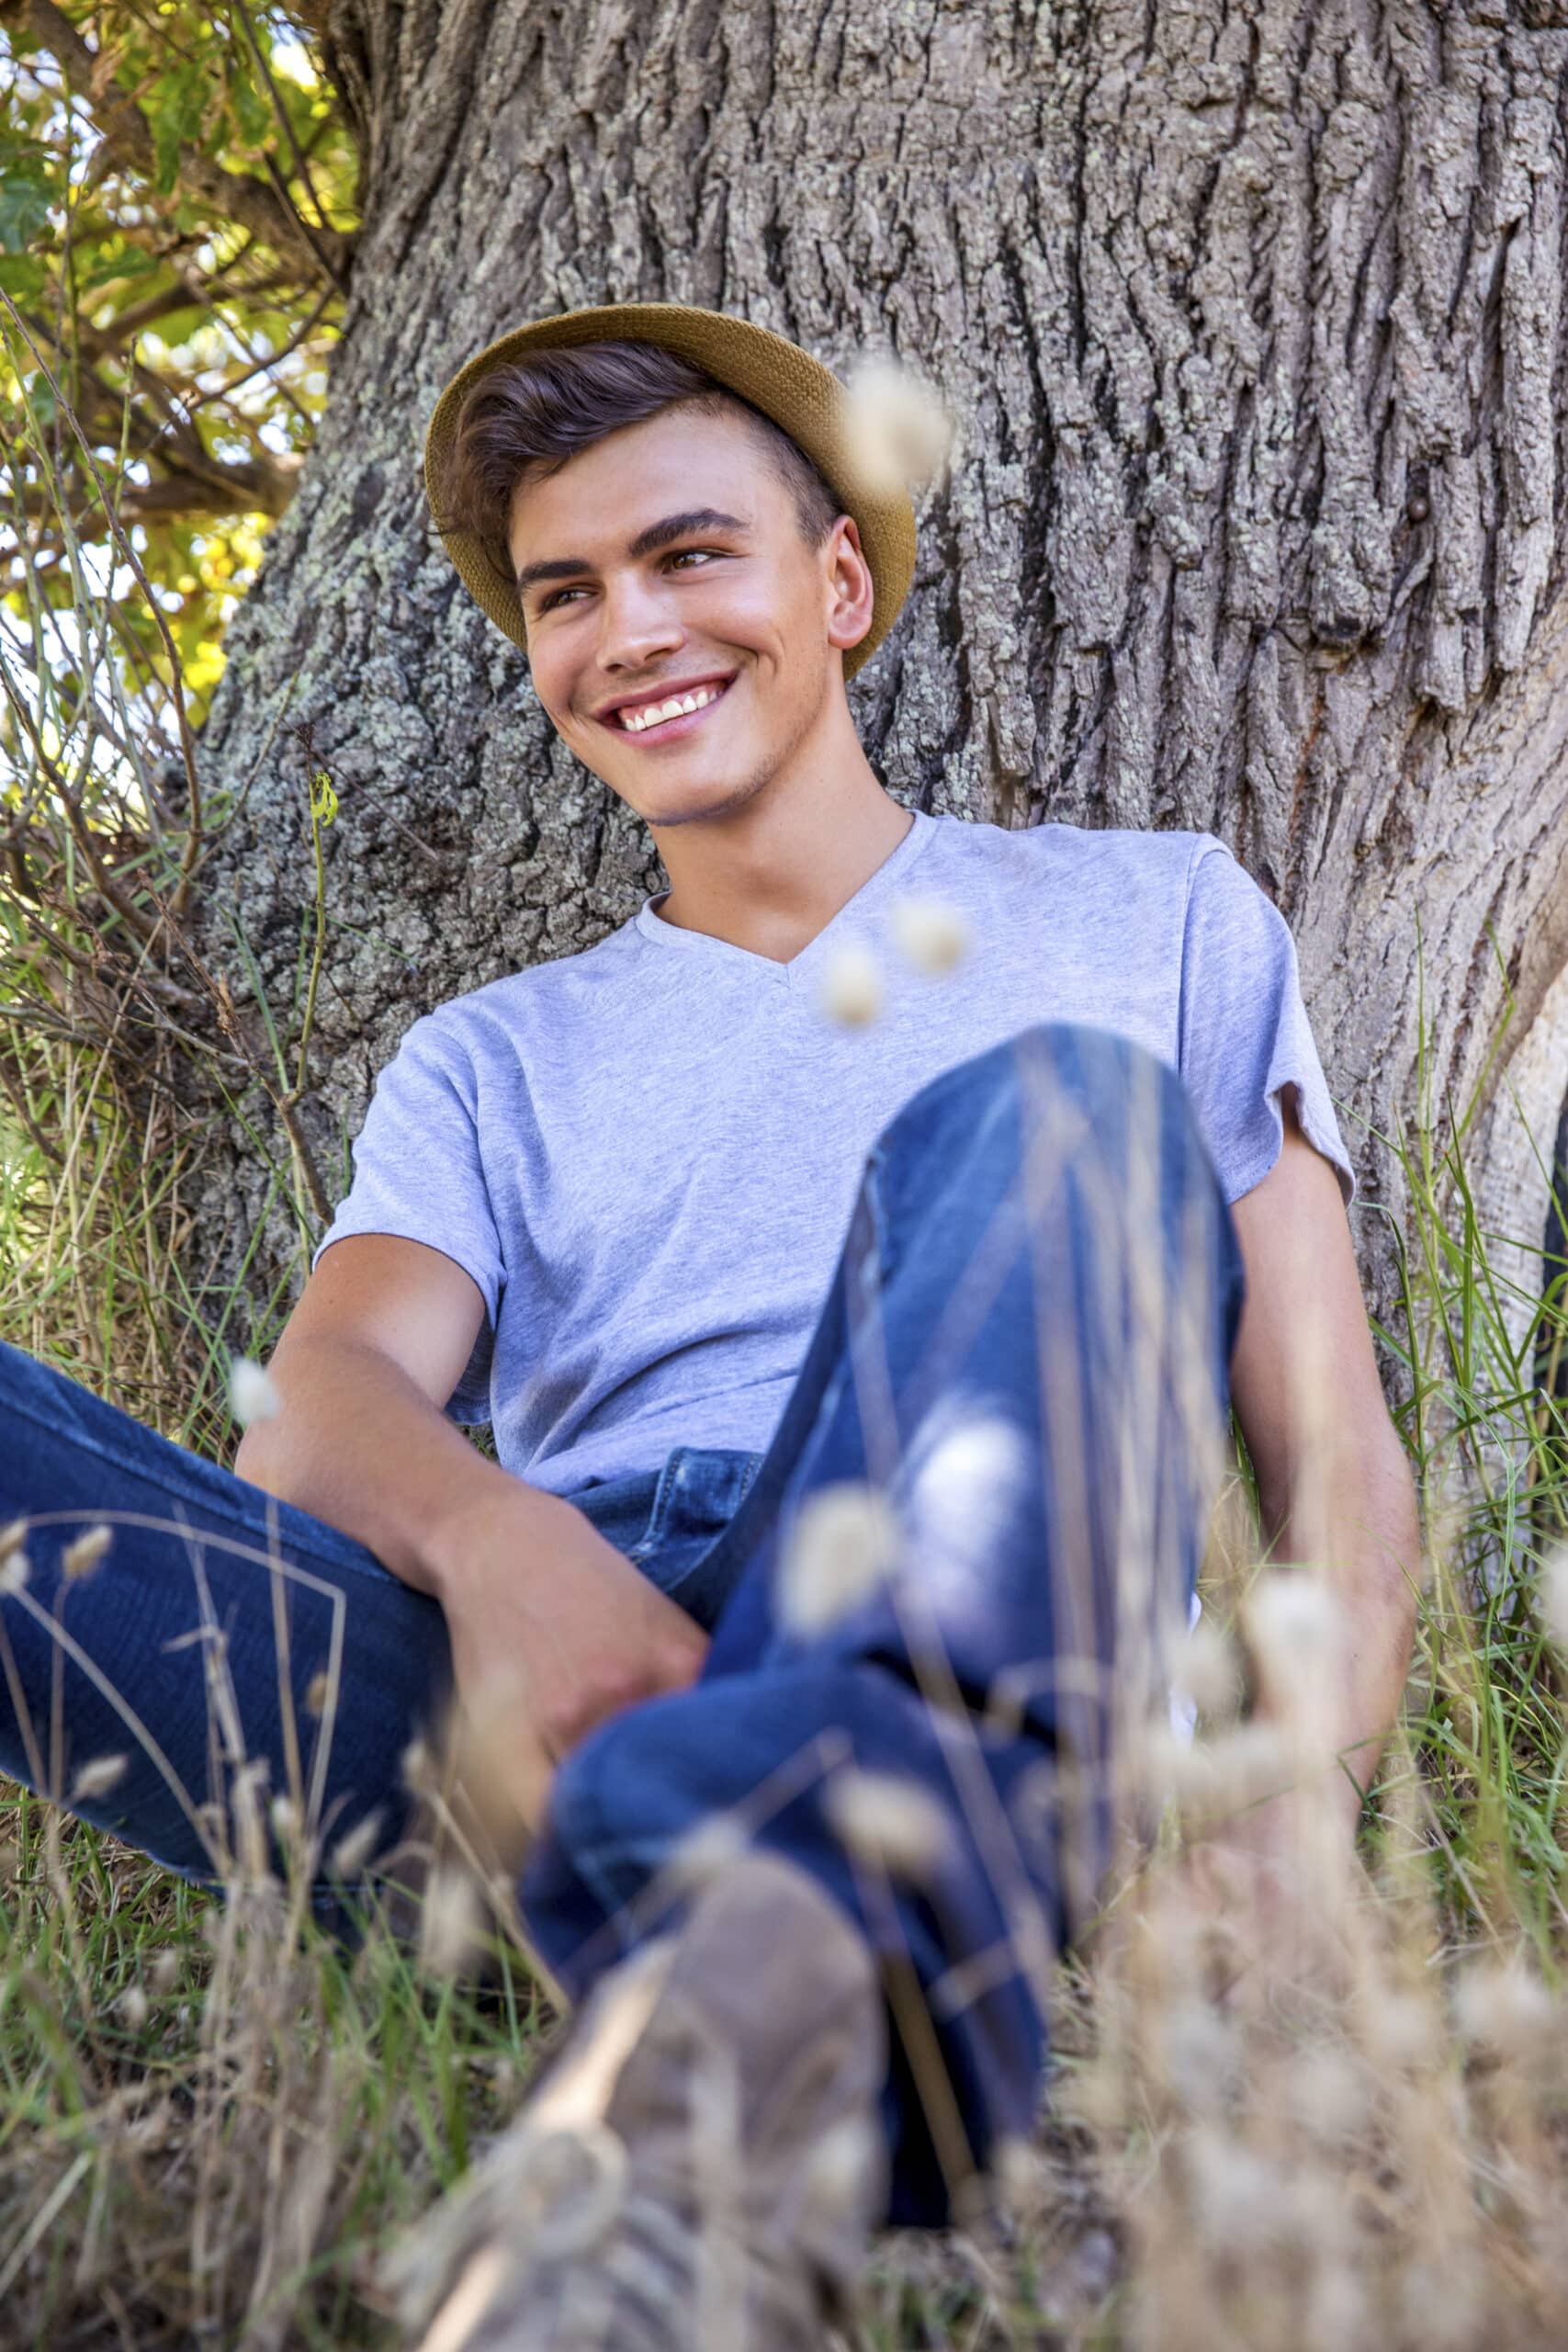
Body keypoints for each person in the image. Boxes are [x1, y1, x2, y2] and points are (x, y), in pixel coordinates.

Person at [0, 303, 1421, 2350]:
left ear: (834, 584)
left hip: (931, 1600)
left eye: (688, 557)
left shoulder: (1155, 915)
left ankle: (731, 1993)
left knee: (1056, 1112)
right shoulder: (488, 1057)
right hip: (522, 1696)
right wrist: (507, 1550)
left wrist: (1300, 1808)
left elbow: (1332, 1444)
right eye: (566, 594)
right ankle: (739, 1942)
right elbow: (318, 1411)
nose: (626, 630)